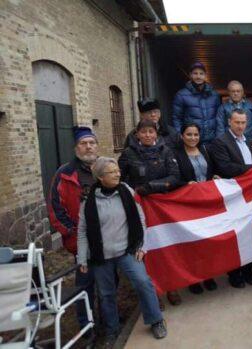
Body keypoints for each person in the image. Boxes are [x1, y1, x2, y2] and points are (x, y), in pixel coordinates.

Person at [77, 157, 167, 346]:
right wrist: (82, 258)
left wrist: (142, 246)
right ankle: (112, 330)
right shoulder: (88, 201)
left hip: (127, 250)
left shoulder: (126, 191)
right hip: (100, 256)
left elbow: (140, 219)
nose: (118, 174)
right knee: (106, 294)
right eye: (112, 172)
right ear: (101, 177)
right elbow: (83, 231)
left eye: (117, 170)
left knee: (143, 282)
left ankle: (156, 320)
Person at [118, 119, 182, 305]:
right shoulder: (128, 154)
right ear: (137, 134)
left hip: (162, 208)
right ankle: (153, 292)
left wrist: (152, 186)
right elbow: (119, 179)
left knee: (166, 247)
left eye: (151, 132)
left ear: (156, 134)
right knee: (147, 249)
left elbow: (175, 177)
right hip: (140, 208)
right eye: (143, 132)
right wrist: (135, 191)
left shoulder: (166, 151)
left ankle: (172, 287)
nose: (147, 135)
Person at [48, 126, 99, 331]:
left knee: (109, 281)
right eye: (83, 144)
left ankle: (109, 319)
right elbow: (55, 206)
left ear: (97, 145)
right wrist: (71, 231)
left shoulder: (105, 167)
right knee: (85, 283)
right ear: (76, 148)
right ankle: (86, 324)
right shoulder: (65, 173)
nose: (88, 147)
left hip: (108, 238)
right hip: (81, 240)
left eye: (91, 143)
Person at [210, 109, 252, 288]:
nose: (240, 126)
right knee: (234, 236)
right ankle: (234, 274)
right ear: (230, 122)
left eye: (243, 123)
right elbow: (226, 167)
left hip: (248, 195)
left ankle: (248, 270)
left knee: (249, 232)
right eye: (237, 122)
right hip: (232, 197)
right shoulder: (220, 142)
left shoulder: (248, 141)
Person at [173, 123, 218, 294]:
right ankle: (194, 279)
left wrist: (214, 176)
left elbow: (211, 170)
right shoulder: (176, 154)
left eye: (195, 134)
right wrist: (185, 184)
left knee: (207, 241)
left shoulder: (206, 150)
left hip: (206, 202)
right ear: (182, 136)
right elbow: (174, 177)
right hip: (189, 204)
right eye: (189, 134)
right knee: (192, 242)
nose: (193, 138)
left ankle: (208, 276)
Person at [171, 62, 221, 146]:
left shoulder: (214, 95)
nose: (198, 76)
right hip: (192, 141)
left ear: (205, 75)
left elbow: (219, 117)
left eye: (201, 74)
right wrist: (180, 135)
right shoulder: (181, 95)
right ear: (190, 75)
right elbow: (176, 118)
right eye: (195, 73)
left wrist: (218, 137)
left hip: (212, 141)